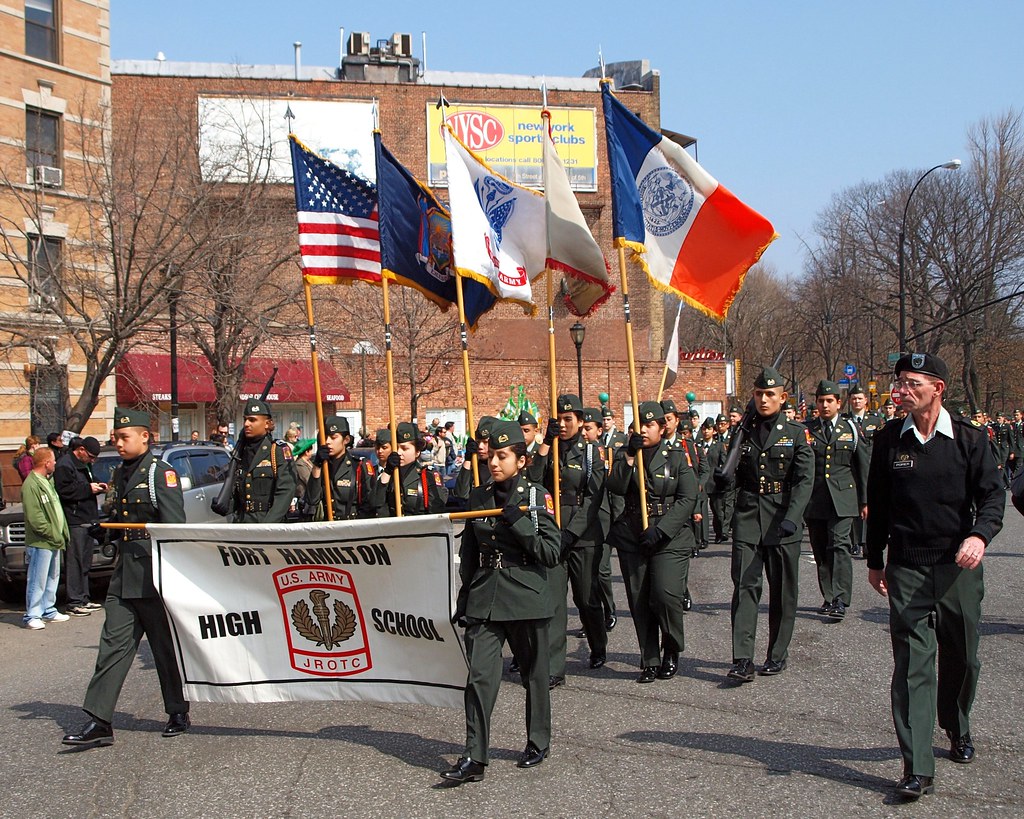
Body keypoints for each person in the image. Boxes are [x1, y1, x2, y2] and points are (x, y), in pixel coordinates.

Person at [866, 353, 1004, 801]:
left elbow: (992, 498)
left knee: (962, 655)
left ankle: (957, 726)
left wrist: (979, 537)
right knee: (911, 665)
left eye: (910, 384)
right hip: (906, 566)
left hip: (957, 567)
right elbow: (878, 505)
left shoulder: (969, 439)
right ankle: (917, 765)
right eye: (899, 383)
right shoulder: (889, 440)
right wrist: (874, 560)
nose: (900, 391)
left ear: (937, 388)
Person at [441, 421, 561, 784]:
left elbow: (551, 551)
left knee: (534, 675)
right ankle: (474, 755)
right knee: (479, 677)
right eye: (491, 455)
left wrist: (521, 523)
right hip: (486, 596)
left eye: (503, 455)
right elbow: (472, 549)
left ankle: (537, 740)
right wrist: (464, 597)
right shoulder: (479, 497)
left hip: (527, 596)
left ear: (521, 461)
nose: (494, 462)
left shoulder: (537, 496)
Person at [62, 408, 190, 749]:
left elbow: (175, 528)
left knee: (164, 648)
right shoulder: (119, 474)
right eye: (116, 438)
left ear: (145, 437)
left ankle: (177, 710)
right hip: (123, 576)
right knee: (113, 647)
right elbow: (118, 516)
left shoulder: (160, 474)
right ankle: (99, 720)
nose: (118, 443)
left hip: (154, 574)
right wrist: (104, 530)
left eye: (124, 437)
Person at [725, 367, 813, 682]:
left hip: (781, 519)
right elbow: (729, 475)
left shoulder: (795, 432)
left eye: (770, 394)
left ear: (782, 397)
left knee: (782, 591)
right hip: (749, 517)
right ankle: (742, 659)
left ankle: (776, 654)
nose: (764, 400)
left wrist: (793, 517)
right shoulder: (743, 432)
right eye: (759, 394)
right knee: (745, 587)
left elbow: (804, 480)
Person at [606, 401, 697, 683]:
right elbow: (615, 487)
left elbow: (687, 497)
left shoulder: (677, 455)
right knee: (640, 599)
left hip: (668, 535)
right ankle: (649, 659)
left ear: (661, 427)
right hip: (634, 534)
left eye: (650, 425)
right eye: (639, 425)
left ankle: (671, 647)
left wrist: (663, 529)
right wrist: (631, 456)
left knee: (665, 594)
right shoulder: (627, 453)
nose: (644, 430)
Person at [530, 395, 608, 682]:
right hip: (553, 534)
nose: (562, 425)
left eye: (568, 419)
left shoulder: (590, 454)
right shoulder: (549, 449)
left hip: (583, 535)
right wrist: (544, 445)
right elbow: (534, 480)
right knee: (554, 601)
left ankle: (598, 645)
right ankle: (554, 667)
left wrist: (570, 533)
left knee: (586, 598)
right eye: (558, 420)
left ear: (580, 421)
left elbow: (593, 498)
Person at [804, 381, 868, 620]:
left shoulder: (850, 429)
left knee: (839, 545)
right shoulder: (807, 430)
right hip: (815, 499)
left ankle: (840, 598)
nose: (825, 405)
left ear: (838, 403)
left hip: (843, 498)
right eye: (821, 401)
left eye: (829, 400)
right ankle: (828, 596)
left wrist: (865, 500)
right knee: (821, 549)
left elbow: (863, 466)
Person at [53, 436, 106, 616]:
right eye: (91, 456)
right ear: (81, 450)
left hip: (87, 518)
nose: (92, 460)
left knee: (84, 562)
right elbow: (65, 491)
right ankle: (74, 601)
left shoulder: (83, 465)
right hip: (75, 520)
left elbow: (88, 480)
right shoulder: (65, 465)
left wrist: (99, 485)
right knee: (75, 562)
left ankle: (83, 597)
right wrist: (88, 489)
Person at [21, 447, 70, 629]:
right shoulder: (31, 485)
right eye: (53, 460)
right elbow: (36, 518)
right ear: (46, 463)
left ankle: (48, 609)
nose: (56, 463)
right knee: (37, 578)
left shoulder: (46, 481)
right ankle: (32, 614)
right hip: (41, 541)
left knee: (52, 577)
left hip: (54, 540)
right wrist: (51, 533)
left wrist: (60, 533)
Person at [227, 399, 296, 523]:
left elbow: (285, 491)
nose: (247, 424)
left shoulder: (277, 451)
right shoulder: (240, 452)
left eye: (252, 420)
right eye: (245, 419)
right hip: (243, 524)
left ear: (267, 424)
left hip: (268, 523)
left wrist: (268, 526)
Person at [581, 407, 616, 634]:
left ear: (599, 430)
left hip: (603, 516)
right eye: (582, 428)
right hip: (583, 518)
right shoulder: (577, 452)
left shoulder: (605, 452)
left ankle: (610, 609)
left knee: (602, 570)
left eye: (588, 428)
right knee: (587, 573)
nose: (584, 433)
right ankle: (591, 619)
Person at [306, 416, 375, 520]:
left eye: (333, 437)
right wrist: (317, 465)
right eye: (325, 437)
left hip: (352, 526)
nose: (328, 441)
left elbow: (369, 504)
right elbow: (312, 500)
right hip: (327, 528)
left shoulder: (359, 466)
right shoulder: (322, 465)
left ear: (346, 440)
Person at [372, 422, 447, 516]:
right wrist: (387, 471)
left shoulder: (427, 476)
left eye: (404, 449)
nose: (399, 452)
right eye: (397, 448)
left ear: (417, 452)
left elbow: (437, 512)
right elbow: (374, 503)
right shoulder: (390, 474)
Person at [843, 385, 882, 557]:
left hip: (871, 467)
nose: (857, 401)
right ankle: (854, 541)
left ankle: (866, 541)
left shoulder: (874, 421)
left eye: (860, 398)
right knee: (853, 504)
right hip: (851, 468)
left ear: (866, 400)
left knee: (869, 504)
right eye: (853, 398)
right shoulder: (845, 421)